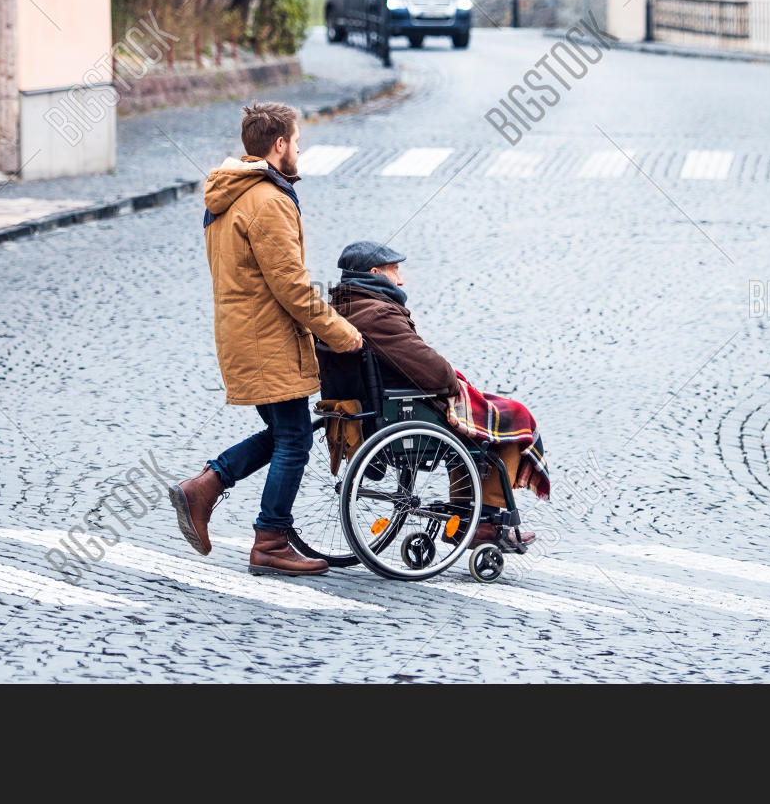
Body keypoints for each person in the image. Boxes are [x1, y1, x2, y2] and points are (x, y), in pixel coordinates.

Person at [170, 102, 363, 577]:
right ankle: (270, 539)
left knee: (284, 433)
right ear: (279, 144)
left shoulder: (232, 194)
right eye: (297, 142)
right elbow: (292, 286)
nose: (299, 150)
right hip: (267, 338)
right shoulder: (268, 200)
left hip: (245, 333)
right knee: (295, 440)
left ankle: (207, 485)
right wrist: (344, 335)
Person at [326, 241, 548, 547]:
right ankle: (484, 523)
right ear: (375, 273)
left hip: (377, 406)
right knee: (514, 418)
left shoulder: (342, 308)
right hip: (406, 408)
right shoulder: (377, 313)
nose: (400, 280)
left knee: (480, 427)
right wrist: (452, 380)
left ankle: (465, 518)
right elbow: (434, 372)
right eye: (395, 271)